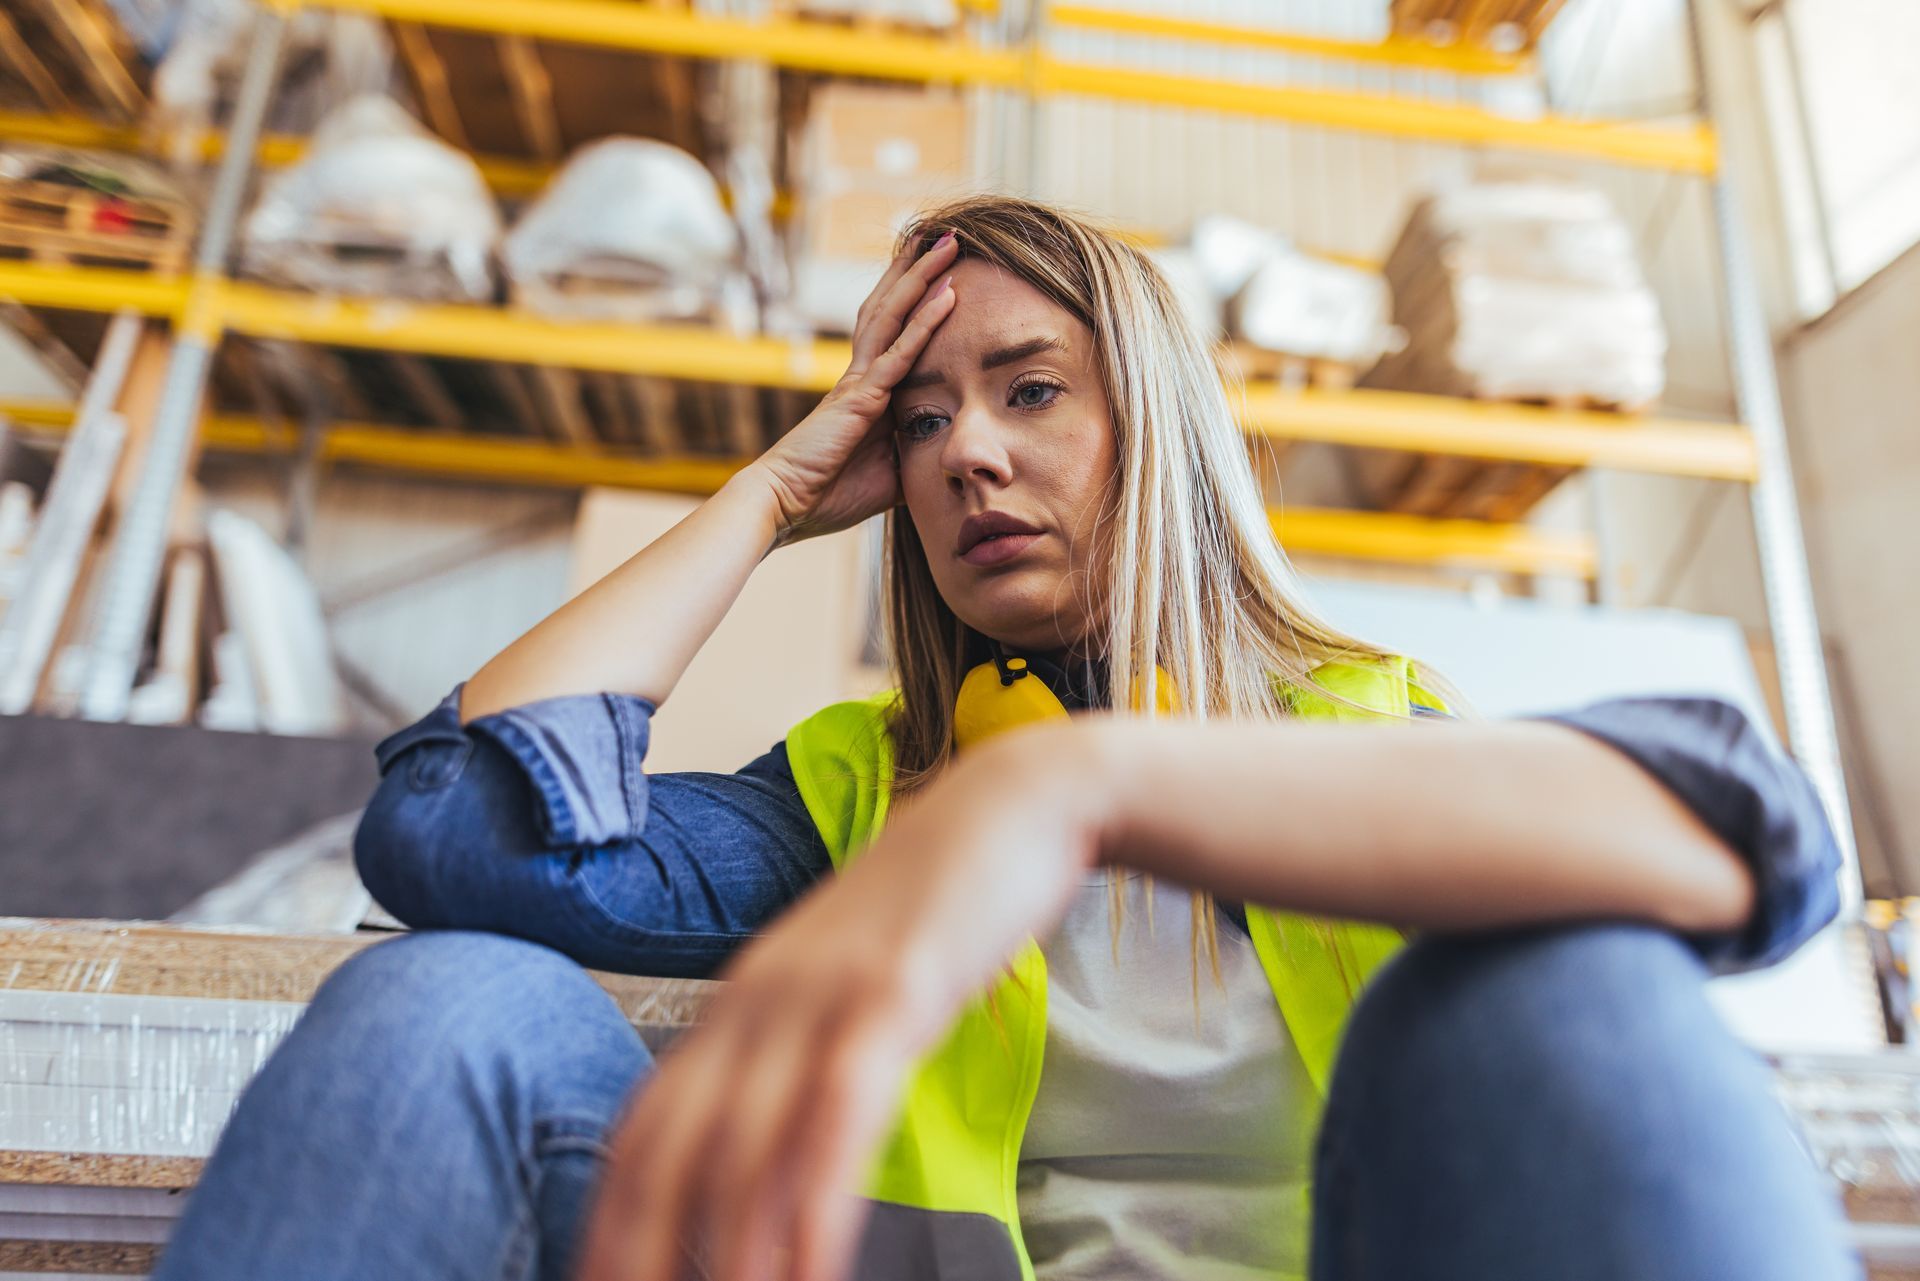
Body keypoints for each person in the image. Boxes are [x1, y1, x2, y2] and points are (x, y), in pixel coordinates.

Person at [152, 196, 1858, 1281]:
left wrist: (1074, 778)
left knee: (1550, 987)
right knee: (448, 997)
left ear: (1156, 428)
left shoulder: (1371, 737)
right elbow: (451, 828)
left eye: (1031, 389)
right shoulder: (850, 791)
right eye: (919, 421)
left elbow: (1754, 834)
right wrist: (775, 485)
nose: (964, 453)